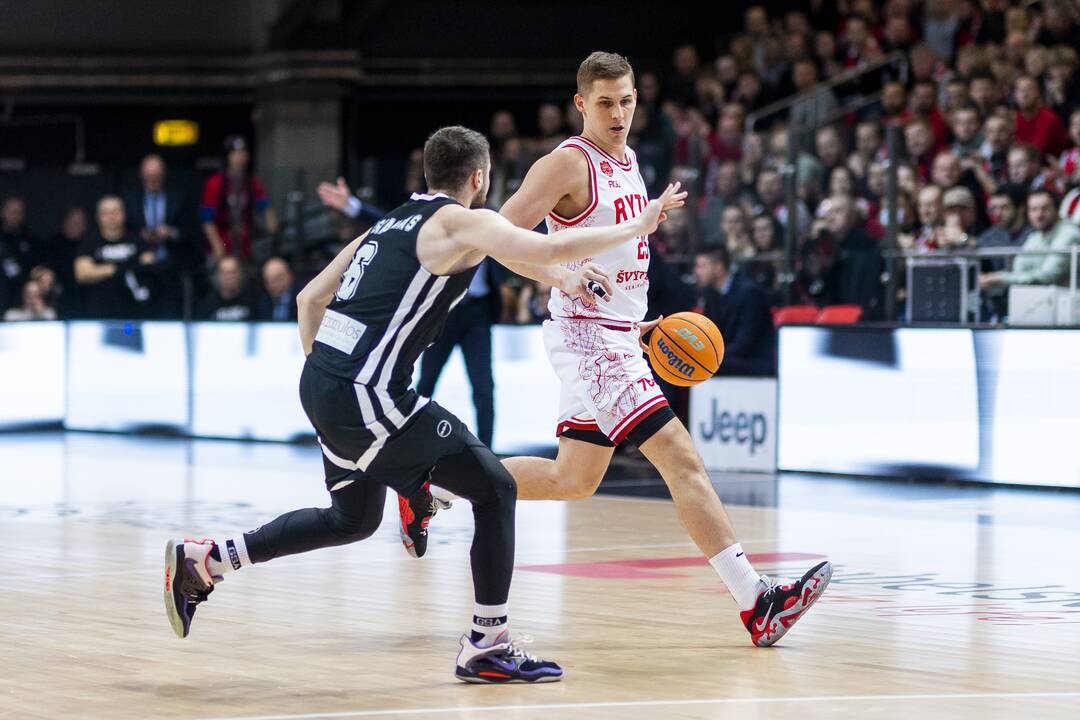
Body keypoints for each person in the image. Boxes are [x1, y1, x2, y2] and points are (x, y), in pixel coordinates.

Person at [164, 124, 684, 683]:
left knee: (352, 519)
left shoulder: (384, 224)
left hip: (323, 384)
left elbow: (309, 297)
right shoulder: (464, 220)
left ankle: (207, 559)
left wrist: (332, 384)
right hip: (368, 396)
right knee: (495, 486)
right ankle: (486, 641)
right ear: (479, 178)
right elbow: (549, 245)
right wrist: (640, 222)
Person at [420, 52, 832, 649]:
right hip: (585, 337)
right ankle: (757, 601)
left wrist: (632, 321)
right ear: (582, 104)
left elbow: (616, 257)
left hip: (615, 334)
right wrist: (560, 277)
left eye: (628, 101)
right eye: (606, 103)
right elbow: (497, 240)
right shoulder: (567, 162)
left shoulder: (631, 161)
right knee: (680, 456)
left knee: (573, 478)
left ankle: (436, 487)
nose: (619, 114)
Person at [124, 154, 192, 318]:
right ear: (141, 176)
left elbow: (190, 230)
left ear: (163, 175)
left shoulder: (179, 198)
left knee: (169, 315)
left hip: (171, 268)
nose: (152, 180)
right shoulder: (130, 199)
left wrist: (171, 232)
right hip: (141, 268)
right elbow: (125, 232)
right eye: (148, 177)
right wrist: (141, 237)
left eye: (156, 176)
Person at [980, 188, 1080, 292]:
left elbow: (1048, 276)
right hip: (1040, 301)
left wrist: (1002, 278)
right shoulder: (1035, 236)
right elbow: (1019, 268)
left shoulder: (1069, 234)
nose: (1039, 215)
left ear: (1057, 210)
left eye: (1045, 208)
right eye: (1033, 209)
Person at [74, 196, 156, 320]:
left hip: (135, 310)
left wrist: (102, 269)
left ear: (123, 214)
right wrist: (118, 268)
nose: (111, 217)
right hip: (99, 311)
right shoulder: (90, 241)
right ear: (98, 217)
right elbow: (82, 274)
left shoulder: (136, 239)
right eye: (106, 213)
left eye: (115, 212)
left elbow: (149, 263)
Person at [699, 247, 774, 376]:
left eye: (702, 266)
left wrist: (714, 357)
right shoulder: (710, 293)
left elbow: (747, 340)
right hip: (728, 356)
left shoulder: (749, 292)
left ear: (718, 267)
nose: (697, 272)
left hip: (753, 359)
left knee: (702, 364)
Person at [200, 136, 278, 261]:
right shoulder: (215, 183)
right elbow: (207, 219)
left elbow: (266, 208)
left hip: (247, 246)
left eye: (243, 152)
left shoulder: (253, 182)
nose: (239, 156)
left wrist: (272, 230)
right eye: (235, 153)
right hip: (222, 245)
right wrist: (217, 245)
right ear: (228, 156)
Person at [197, 256, 256, 321]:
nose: (228, 277)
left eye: (232, 272)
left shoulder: (253, 299)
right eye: (224, 273)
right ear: (217, 276)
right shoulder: (207, 304)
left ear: (240, 274)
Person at [256, 256, 298, 322]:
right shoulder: (261, 300)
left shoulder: (301, 297)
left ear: (290, 277)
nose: (272, 285)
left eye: (277, 279)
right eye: (267, 281)